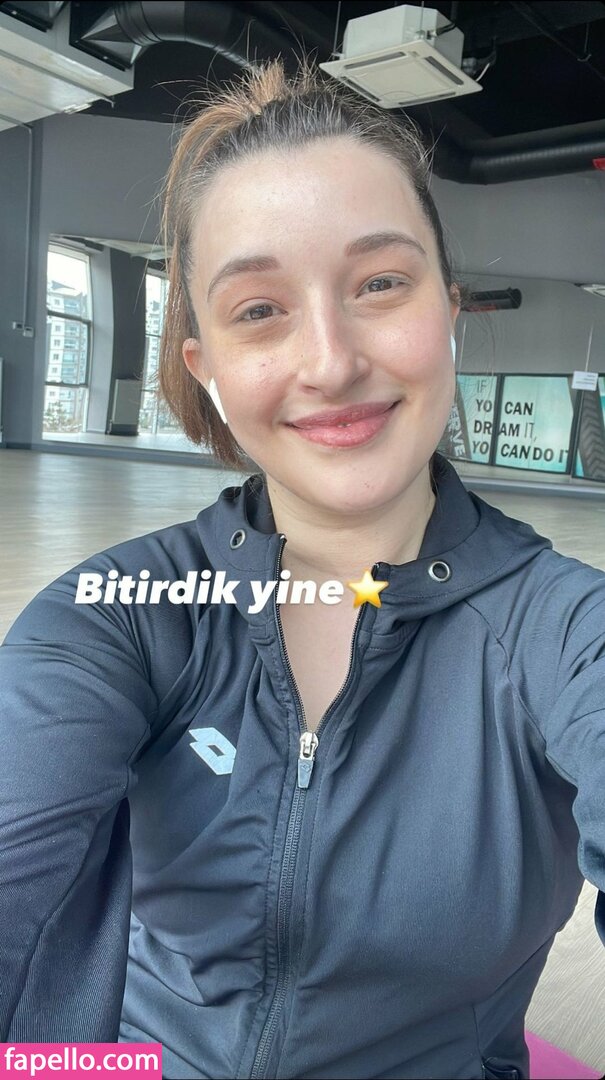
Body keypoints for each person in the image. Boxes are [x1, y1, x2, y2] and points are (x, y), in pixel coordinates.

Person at [0, 57, 604, 1080]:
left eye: (379, 284)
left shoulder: (566, 632)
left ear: (447, 309)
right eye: (258, 310)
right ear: (205, 366)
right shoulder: (117, 615)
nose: (329, 362)